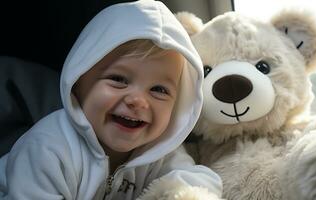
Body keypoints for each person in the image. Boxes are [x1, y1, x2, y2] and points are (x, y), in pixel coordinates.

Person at [0, 0, 223, 199]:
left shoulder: (160, 152)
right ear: (78, 82)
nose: (138, 100)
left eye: (158, 90)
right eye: (118, 79)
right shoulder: (48, 148)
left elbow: (198, 181)